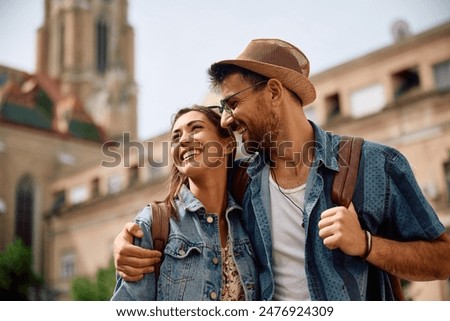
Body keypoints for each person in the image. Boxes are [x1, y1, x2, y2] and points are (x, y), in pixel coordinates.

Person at [113, 39, 450, 300]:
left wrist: (365, 244)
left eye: (232, 103)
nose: (227, 119)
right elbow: (189, 209)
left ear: (273, 91)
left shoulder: (375, 164)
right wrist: (127, 241)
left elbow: (443, 258)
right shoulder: (241, 178)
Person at [111, 105, 259, 301]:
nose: (183, 140)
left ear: (228, 143)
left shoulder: (249, 219)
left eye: (196, 128)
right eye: (175, 137)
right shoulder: (153, 224)